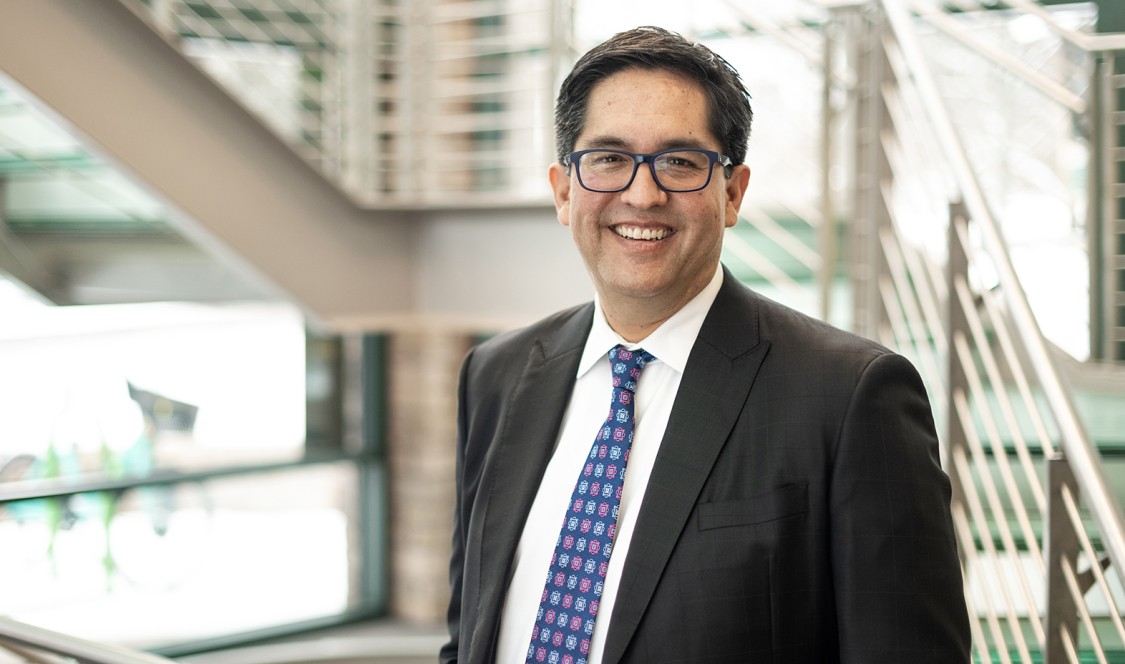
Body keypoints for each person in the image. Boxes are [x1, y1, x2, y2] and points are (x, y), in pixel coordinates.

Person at [440, 26, 970, 664]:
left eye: (681, 162)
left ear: (733, 193)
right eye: (609, 158)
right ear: (563, 189)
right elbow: (469, 635)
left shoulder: (850, 398)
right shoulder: (495, 375)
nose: (643, 193)